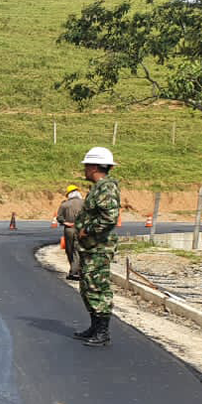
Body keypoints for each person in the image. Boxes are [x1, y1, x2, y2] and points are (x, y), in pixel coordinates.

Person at [74, 147, 121, 347]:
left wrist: (88, 230)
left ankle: (103, 331)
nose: (85, 170)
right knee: (87, 286)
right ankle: (94, 326)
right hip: (91, 248)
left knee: (97, 287)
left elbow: (109, 218)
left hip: (99, 247)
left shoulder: (106, 187)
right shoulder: (99, 187)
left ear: (94, 167)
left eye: (86, 166)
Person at [57, 184, 84, 280]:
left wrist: (65, 222)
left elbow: (59, 217)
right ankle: (77, 270)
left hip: (69, 229)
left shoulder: (64, 204)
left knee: (69, 250)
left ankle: (73, 271)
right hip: (81, 229)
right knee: (78, 249)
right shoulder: (84, 203)